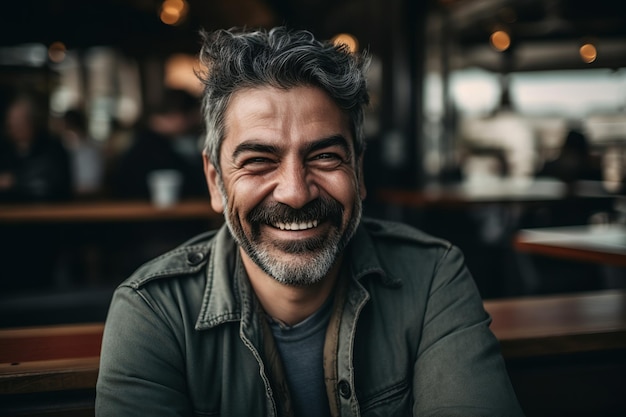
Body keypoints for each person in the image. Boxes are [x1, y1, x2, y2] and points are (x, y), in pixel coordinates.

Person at [96, 27, 524, 416]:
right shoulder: (153, 311)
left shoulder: (432, 277)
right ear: (215, 181)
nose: (296, 192)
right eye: (259, 161)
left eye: (324, 157)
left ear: (358, 171)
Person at [110, 88, 206, 200]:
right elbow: (194, 186)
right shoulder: (155, 150)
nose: (194, 123)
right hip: (151, 215)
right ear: (175, 115)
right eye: (192, 118)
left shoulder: (140, 140)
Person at [0, 91, 72, 202]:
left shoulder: (52, 148)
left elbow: (57, 185)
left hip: (47, 212)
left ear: (31, 121)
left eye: (19, 123)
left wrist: (15, 182)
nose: (14, 129)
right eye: (11, 124)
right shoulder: (4, 149)